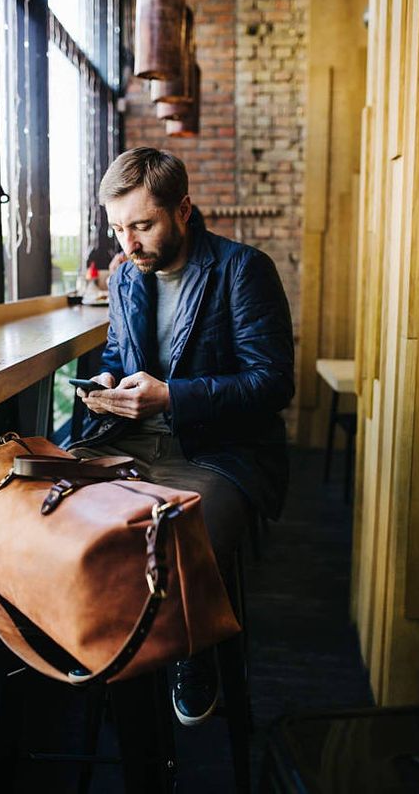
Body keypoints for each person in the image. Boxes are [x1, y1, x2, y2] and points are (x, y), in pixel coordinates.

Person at [69, 147, 294, 726]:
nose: (128, 244)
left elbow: (272, 384)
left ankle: (189, 649)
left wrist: (172, 396)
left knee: (179, 535)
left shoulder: (243, 269)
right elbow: (119, 354)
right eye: (118, 228)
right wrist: (105, 381)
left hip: (219, 453)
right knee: (51, 508)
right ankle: (93, 627)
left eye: (142, 225)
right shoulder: (125, 275)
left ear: (184, 209)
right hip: (130, 440)